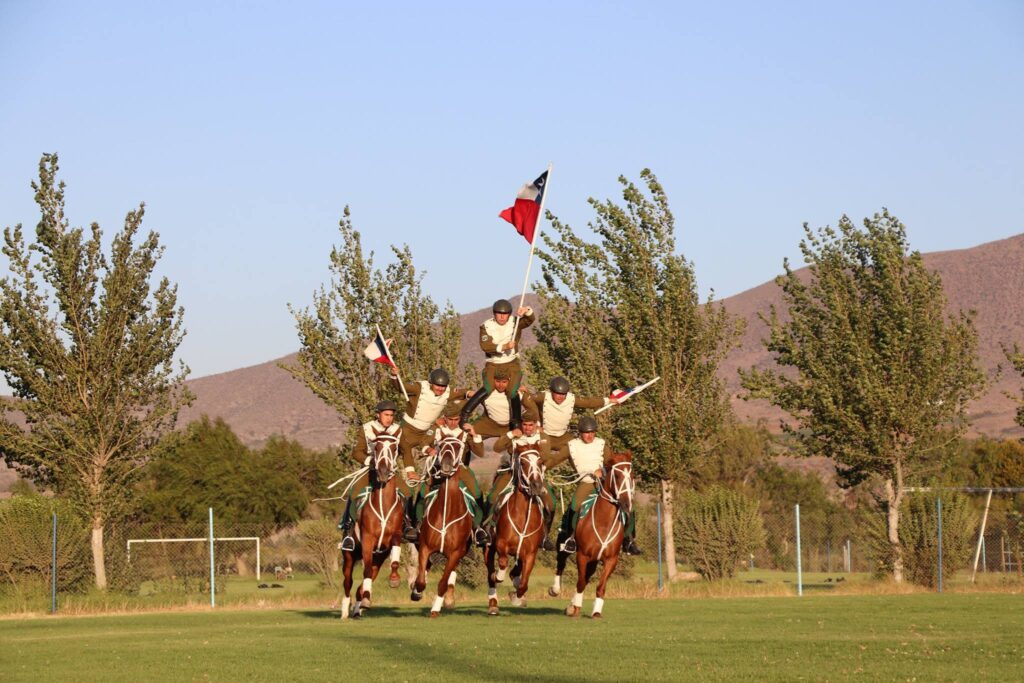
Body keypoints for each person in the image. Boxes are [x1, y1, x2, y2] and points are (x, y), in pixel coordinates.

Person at [545, 415, 641, 555]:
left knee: (628, 505)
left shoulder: (602, 444)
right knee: (575, 504)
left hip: (605, 483)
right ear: (580, 432)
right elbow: (555, 459)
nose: (589, 435)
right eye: (586, 432)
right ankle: (570, 539)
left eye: (592, 432)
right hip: (587, 483)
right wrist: (541, 467)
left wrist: (601, 470)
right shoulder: (572, 446)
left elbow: (611, 464)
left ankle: (629, 541)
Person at [338, 400, 417, 552]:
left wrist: (410, 470)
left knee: (408, 491)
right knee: (354, 492)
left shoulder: (398, 430)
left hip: (391, 471)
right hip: (370, 470)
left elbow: (406, 450)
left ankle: (408, 525)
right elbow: (357, 452)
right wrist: (370, 461)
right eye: (386, 415)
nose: (389, 418)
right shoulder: (367, 428)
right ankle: (348, 532)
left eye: (392, 415)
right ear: (378, 414)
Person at [411, 401, 490, 546]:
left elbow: (480, 452)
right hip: (437, 468)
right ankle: (416, 525)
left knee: (477, 493)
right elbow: (422, 442)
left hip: (460, 469)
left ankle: (479, 528)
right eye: (450, 419)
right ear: (444, 418)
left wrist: (474, 434)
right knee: (422, 492)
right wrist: (429, 450)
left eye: (457, 419)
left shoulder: (465, 432)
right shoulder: (436, 429)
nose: (454, 423)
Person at [486, 407, 557, 551]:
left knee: (551, 503)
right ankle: (486, 528)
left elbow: (547, 456)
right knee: (493, 497)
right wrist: (510, 434)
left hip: (534, 476)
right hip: (512, 474)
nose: (528, 428)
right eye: (525, 424)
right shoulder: (516, 436)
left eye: (531, 425)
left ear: (536, 425)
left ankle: (544, 536)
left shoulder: (543, 437)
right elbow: (496, 447)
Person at [391, 367, 468, 483]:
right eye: (437, 386)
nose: (440, 389)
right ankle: (410, 471)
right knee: (404, 445)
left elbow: (461, 393)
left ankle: (436, 477)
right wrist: (394, 376)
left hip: (426, 431)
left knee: (439, 448)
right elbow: (399, 387)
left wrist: (469, 393)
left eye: (443, 386)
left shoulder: (448, 392)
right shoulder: (419, 387)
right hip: (409, 429)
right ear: (430, 383)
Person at [524, 376, 616, 459]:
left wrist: (609, 400)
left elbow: (589, 402)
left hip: (562, 437)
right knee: (541, 460)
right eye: (558, 394)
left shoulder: (571, 398)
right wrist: (536, 423)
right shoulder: (544, 396)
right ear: (551, 391)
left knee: (581, 451)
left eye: (563, 394)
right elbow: (528, 400)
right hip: (544, 435)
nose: (561, 397)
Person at [479, 299, 535, 398]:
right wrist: (505, 346)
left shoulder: (515, 322)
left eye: (505, 314)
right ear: (494, 314)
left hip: (511, 362)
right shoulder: (486, 326)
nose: (502, 317)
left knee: (513, 391)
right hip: (493, 363)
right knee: (487, 389)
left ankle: (516, 414)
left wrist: (526, 310)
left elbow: (529, 320)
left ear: (509, 314)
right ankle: (466, 412)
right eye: (499, 314)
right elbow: (485, 346)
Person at [459, 367, 523, 447]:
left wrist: (518, 428)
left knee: (520, 444)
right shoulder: (486, 392)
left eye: (504, 382)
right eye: (498, 381)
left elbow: (527, 410)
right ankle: (461, 459)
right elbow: (469, 406)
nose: (501, 385)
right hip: (489, 424)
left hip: (509, 426)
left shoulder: (517, 393)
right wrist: (463, 422)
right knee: (465, 438)